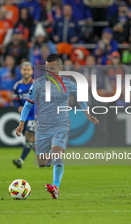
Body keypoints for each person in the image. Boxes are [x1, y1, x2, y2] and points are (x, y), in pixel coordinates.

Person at [15, 54, 99, 199]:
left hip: (61, 125)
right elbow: (28, 104)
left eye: (52, 68)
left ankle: (56, 187)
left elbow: (81, 98)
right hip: (42, 126)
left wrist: (87, 113)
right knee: (41, 162)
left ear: (60, 68)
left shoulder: (69, 83)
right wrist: (22, 122)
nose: (49, 71)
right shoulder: (38, 84)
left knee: (57, 154)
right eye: (47, 68)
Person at [12, 62, 35, 168]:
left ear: (32, 71)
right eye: (24, 69)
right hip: (25, 116)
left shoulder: (36, 85)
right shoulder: (17, 85)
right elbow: (15, 100)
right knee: (30, 139)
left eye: (28, 69)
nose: (26, 71)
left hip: (35, 115)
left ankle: (21, 160)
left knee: (29, 135)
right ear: (21, 71)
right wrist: (18, 107)